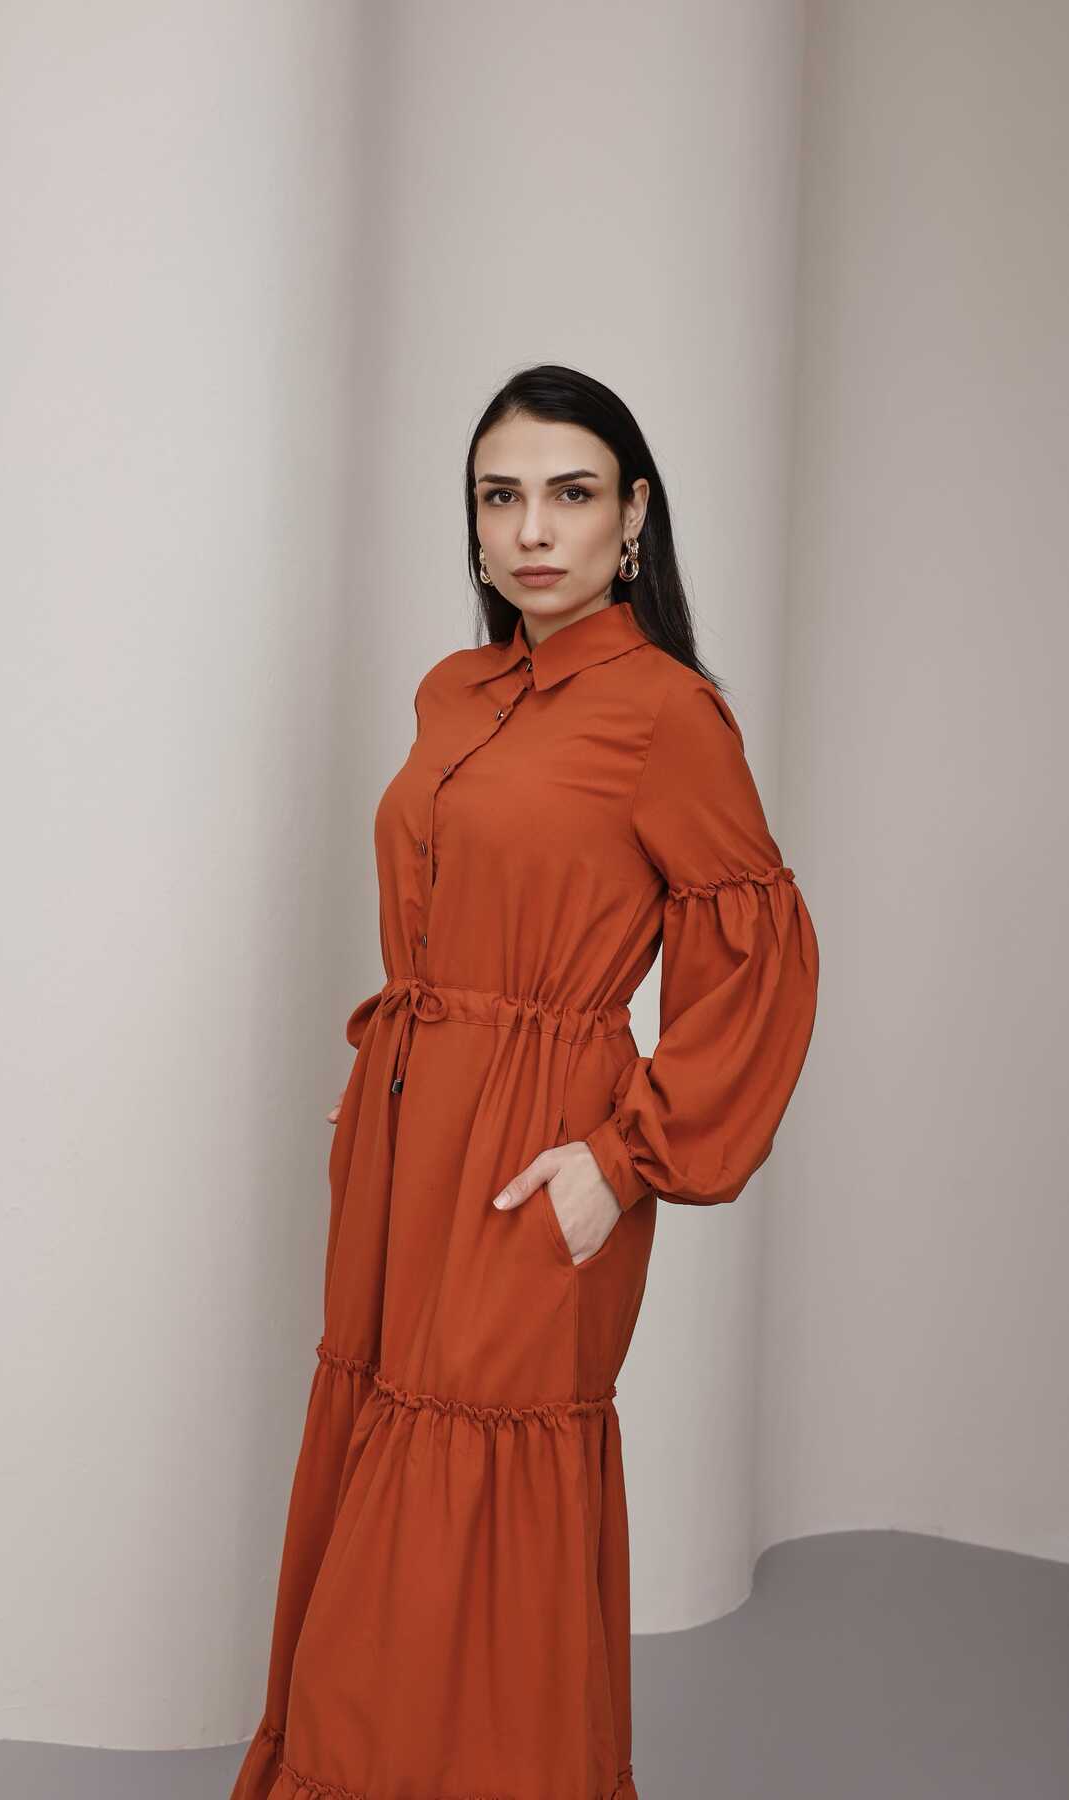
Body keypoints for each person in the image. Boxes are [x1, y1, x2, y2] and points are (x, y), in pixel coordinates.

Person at [230, 363, 820, 1800]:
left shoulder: (667, 714)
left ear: (634, 518)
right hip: (404, 1150)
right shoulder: (455, 690)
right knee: (382, 1458)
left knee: (468, 1501)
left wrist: (623, 1162)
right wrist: (397, 1076)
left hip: (532, 1165)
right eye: (501, 498)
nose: (532, 531)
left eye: (571, 494)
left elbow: (759, 959)